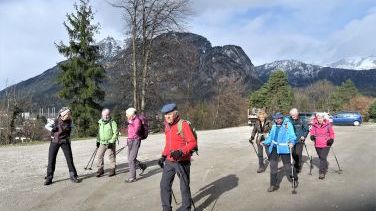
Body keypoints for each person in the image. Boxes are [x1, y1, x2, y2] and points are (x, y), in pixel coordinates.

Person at [158, 103, 197, 211]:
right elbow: (168, 144)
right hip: (169, 161)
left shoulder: (183, 124)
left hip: (182, 161)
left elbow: (192, 143)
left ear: (175, 113)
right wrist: (163, 155)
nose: (167, 117)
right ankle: (166, 209)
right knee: (164, 186)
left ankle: (186, 209)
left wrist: (181, 152)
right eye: (165, 115)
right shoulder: (167, 125)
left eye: (169, 114)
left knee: (184, 187)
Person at [261, 112, 298, 192]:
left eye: (279, 118)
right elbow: (271, 136)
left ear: (282, 118)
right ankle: (273, 185)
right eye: (276, 118)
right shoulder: (274, 125)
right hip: (274, 148)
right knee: (273, 166)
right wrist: (266, 142)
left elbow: (292, 135)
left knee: (288, 167)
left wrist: (292, 142)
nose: (278, 120)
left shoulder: (287, 124)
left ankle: (294, 179)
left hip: (284, 148)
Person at [44, 107, 79, 185]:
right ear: (62, 114)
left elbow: (73, 129)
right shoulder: (55, 121)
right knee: (51, 160)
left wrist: (70, 134)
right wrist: (53, 129)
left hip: (65, 142)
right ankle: (49, 178)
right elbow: (46, 126)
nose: (68, 115)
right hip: (54, 141)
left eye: (69, 114)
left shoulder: (70, 122)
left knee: (69, 159)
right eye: (67, 114)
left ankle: (73, 176)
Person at [310, 113, 335, 179]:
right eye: (318, 118)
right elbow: (312, 132)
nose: (319, 119)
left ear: (323, 118)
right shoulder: (314, 125)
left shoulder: (328, 125)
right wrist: (312, 136)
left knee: (323, 157)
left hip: (326, 143)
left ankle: (322, 172)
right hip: (317, 144)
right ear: (316, 119)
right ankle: (325, 165)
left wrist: (331, 139)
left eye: (321, 118)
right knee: (321, 157)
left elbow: (332, 133)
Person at [125, 107, 147, 183]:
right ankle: (142, 165)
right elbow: (129, 131)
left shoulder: (137, 120)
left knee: (131, 159)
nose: (126, 116)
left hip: (136, 141)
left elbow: (136, 131)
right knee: (130, 158)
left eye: (127, 114)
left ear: (132, 115)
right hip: (130, 140)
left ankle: (132, 177)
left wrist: (130, 123)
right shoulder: (130, 120)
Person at [96, 108, 118, 177]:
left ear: (109, 115)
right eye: (105, 115)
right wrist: (98, 141)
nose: (106, 116)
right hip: (102, 142)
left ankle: (112, 169)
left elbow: (116, 133)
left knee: (111, 156)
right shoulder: (100, 122)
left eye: (107, 115)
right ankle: (100, 169)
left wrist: (111, 142)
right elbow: (99, 133)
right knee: (99, 156)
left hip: (110, 142)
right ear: (102, 115)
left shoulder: (112, 122)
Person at [289, 108, 309, 173]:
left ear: (297, 114)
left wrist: (304, 136)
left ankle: (298, 166)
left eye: (294, 115)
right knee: (293, 153)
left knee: (298, 153)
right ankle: (296, 162)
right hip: (291, 140)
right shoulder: (289, 120)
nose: (293, 117)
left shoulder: (302, 120)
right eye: (292, 115)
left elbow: (306, 130)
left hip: (300, 139)